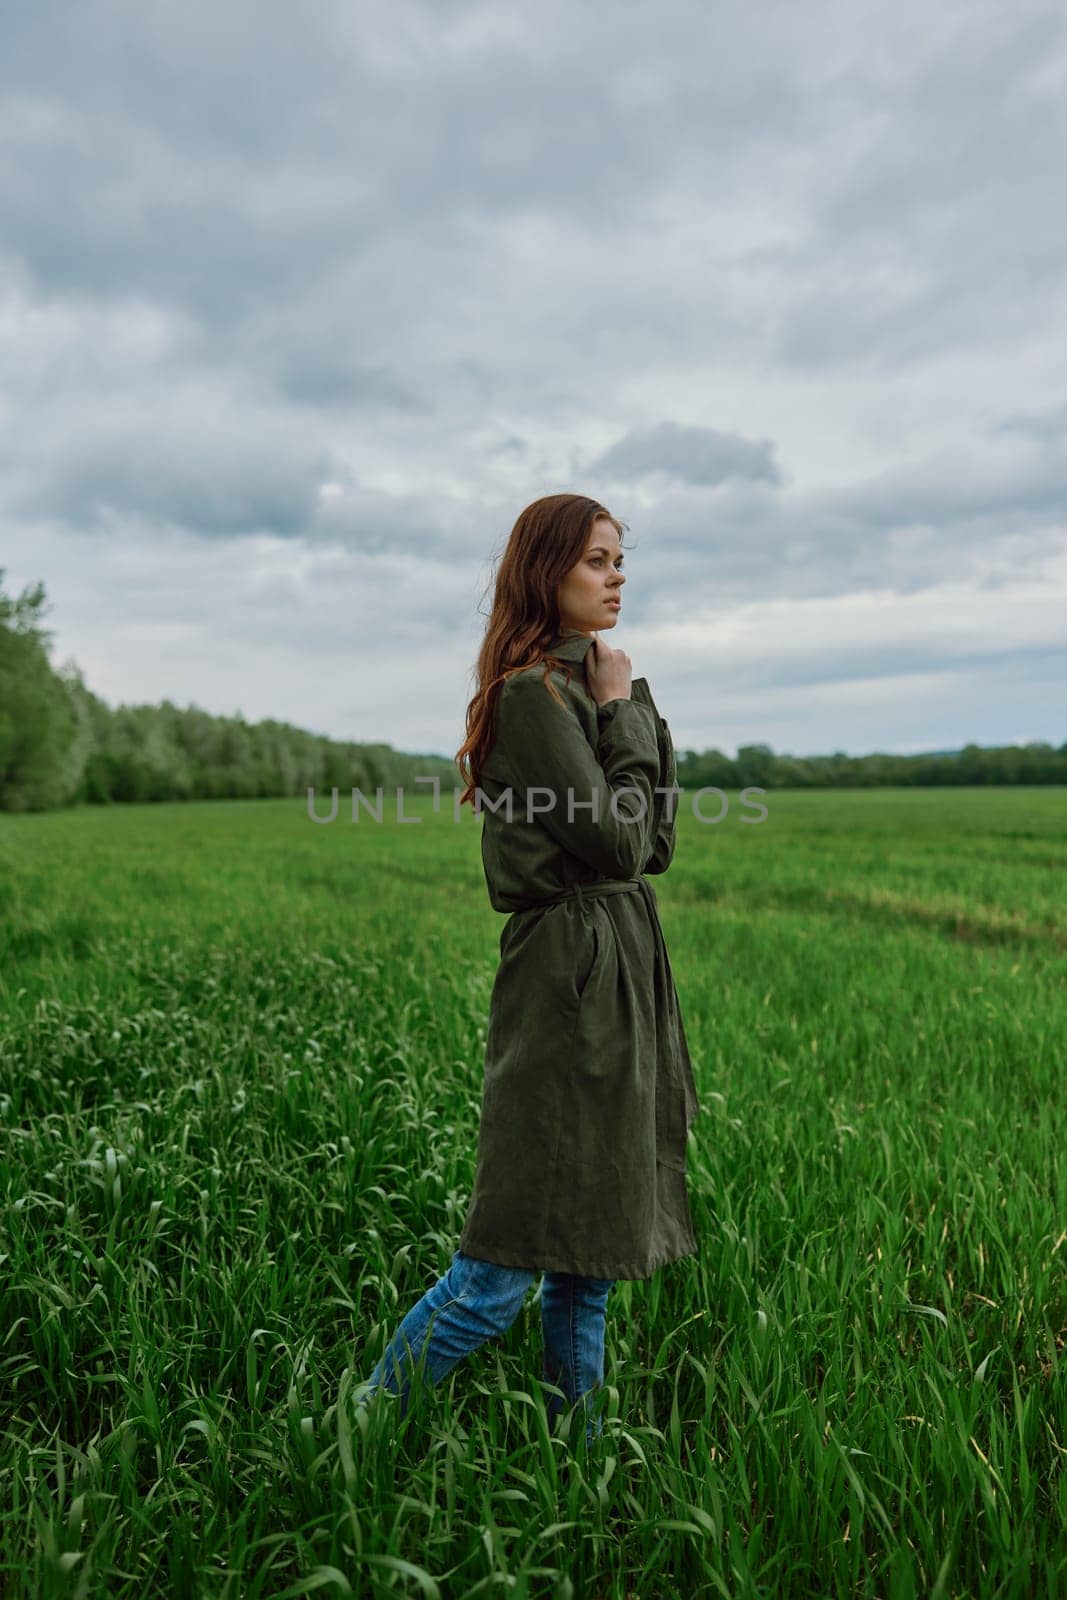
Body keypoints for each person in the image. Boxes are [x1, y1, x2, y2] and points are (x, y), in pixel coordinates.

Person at [356, 493, 701, 1445]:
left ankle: (576, 1461)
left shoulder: (590, 685)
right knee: (502, 1268)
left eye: (620, 560)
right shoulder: (530, 697)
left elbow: (653, 845)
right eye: (597, 560)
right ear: (544, 571)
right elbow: (621, 840)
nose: (616, 577)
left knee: (587, 1262)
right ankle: (354, 1432)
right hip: (569, 973)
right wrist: (621, 708)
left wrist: (626, 705)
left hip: (621, 957)